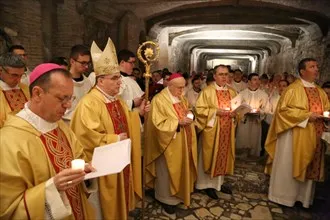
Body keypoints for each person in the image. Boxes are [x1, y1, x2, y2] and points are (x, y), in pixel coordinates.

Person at [0, 63, 96, 219]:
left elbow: (78, 157)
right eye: (62, 98)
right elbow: (8, 209)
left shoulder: (60, 126)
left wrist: (85, 173)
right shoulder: (8, 141)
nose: (68, 105)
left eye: (70, 98)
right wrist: (52, 188)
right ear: (37, 94)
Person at [70, 38, 149, 220]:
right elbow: (86, 136)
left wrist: (137, 113)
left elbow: (126, 121)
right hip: (102, 168)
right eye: (114, 79)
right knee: (102, 208)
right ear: (100, 80)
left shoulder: (116, 100)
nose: (119, 83)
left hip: (119, 161)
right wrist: (113, 140)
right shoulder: (89, 103)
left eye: (119, 79)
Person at [265, 58, 330, 208]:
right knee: (289, 164)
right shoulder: (292, 89)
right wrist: (306, 116)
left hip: (315, 134)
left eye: (317, 66)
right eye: (312, 67)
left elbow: (325, 110)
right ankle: (284, 197)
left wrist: (325, 118)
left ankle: (303, 199)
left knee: (309, 168)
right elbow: (283, 111)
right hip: (293, 135)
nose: (316, 69)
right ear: (302, 71)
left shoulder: (320, 92)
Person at [145, 73, 197, 214]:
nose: (181, 91)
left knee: (180, 169)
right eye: (179, 88)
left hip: (183, 141)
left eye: (183, 87)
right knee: (167, 171)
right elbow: (157, 124)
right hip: (167, 144)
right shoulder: (159, 100)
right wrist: (178, 122)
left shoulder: (181, 97)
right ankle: (165, 198)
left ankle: (179, 194)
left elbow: (188, 109)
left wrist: (190, 115)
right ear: (170, 85)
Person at [194, 65, 237, 199]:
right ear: (215, 76)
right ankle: (206, 184)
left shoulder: (232, 92)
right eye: (221, 74)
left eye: (226, 74)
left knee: (223, 155)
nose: (224, 77)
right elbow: (199, 110)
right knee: (209, 155)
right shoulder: (206, 91)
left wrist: (236, 114)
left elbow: (237, 109)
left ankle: (218, 183)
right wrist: (215, 112)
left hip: (227, 129)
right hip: (212, 130)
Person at [235, 73, 269, 157]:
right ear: (249, 82)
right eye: (254, 79)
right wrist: (244, 111)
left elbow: (267, 109)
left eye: (258, 80)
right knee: (243, 138)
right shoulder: (242, 94)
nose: (257, 82)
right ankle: (241, 156)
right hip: (244, 121)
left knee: (254, 139)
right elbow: (236, 107)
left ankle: (253, 156)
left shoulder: (263, 95)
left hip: (256, 121)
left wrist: (260, 111)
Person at [62, 45, 95, 122]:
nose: (86, 66)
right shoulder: (62, 82)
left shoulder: (88, 83)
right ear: (72, 61)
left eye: (88, 63)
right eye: (83, 63)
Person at [0, 53, 29, 128]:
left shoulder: (26, 89)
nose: (19, 80)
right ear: (0, 70)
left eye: (21, 75)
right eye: (14, 75)